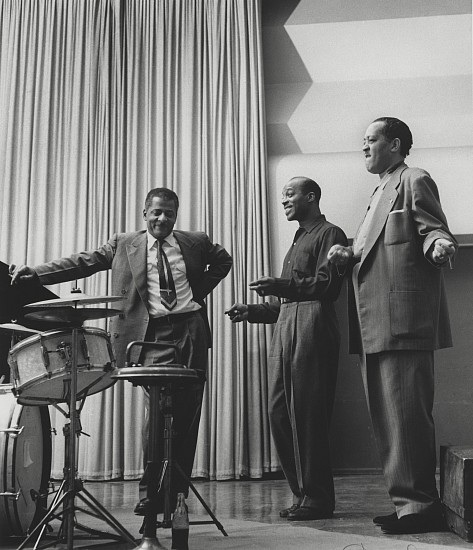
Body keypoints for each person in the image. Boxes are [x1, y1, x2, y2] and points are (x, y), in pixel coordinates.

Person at [10, 187, 233, 517]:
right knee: (157, 414)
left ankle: (176, 495)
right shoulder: (123, 243)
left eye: (169, 213)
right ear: (145, 214)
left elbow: (223, 260)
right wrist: (38, 272)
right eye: (156, 212)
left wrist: (196, 291)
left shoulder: (195, 241)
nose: (163, 218)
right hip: (149, 336)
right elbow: (83, 262)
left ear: (176, 215)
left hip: (189, 331)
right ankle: (150, 492)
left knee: (186, 417)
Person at [327, 117, 457, 535]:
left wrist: (438, 244)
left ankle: (421, 507)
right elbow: (375, 249)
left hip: (401, 322)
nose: (364, 146)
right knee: (389, 421)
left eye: (371, 140)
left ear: (395, 144)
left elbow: (432, 228)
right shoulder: (380, 189)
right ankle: (407, 505)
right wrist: (348, 254)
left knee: (406, 417)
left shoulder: (414, 179)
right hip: (373, 323)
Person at [227, 176, 347, 521]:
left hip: (314, 327)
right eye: (282, 196)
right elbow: (285, 304)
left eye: (290, 194)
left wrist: (281, 285)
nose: (284, 201)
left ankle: (318, 498)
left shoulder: (330, 233)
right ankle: (303, 493)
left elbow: (327, 286)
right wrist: (253, 311)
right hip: (287, 329)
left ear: (312, 196)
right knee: (280, 413)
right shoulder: (297, 240)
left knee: (308, 414)